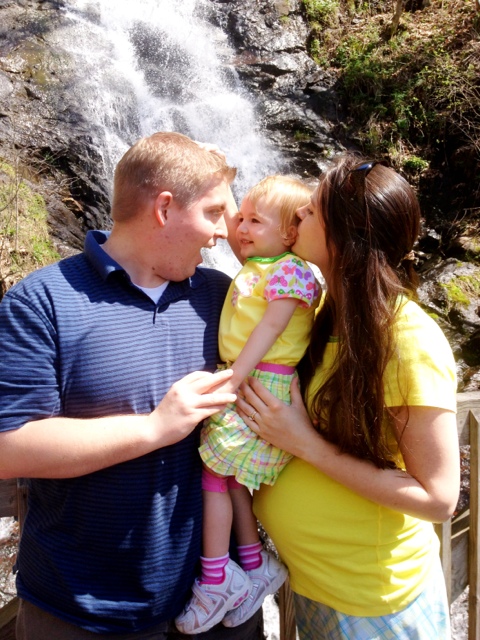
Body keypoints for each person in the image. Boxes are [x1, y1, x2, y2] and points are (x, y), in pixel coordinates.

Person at [0, 131, 264, 639]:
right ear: (164, 208)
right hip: (84, 612)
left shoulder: (223, 296)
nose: (222, 232)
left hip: (220, 601)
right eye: (213, 213)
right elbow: (8, 447)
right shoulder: (43, 301)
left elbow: (285, 278)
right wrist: (154, 428)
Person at [236, 154, 460, 640]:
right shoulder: (324, 315)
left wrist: (305, 444)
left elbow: (439, 498)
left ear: (345, 236)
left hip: (377, 601)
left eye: (312, 209)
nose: (298, 212)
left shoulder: (406, 339)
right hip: (318, 586)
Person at [175, 176, 321, 634]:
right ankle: (255, 565)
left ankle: (216, 576)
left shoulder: (290, 271)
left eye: (255, 221)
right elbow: (247, 230)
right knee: (230, 476)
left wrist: (235, 377)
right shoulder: (263, 263)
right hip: (249, 377)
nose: (240, 227)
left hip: (259, 382)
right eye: (241, 218)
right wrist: (223, 182)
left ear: (290, 233)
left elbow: (271, 328)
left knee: (214, 472)